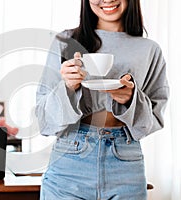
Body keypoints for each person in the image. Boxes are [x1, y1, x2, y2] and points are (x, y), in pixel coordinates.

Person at [35, 0, 169, 199]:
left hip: (125, 162)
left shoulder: (149, 49)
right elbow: (44, 122)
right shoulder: (65, 41)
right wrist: (68, 88)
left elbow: (154, 120)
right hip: (69, 159)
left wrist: (131, 100)